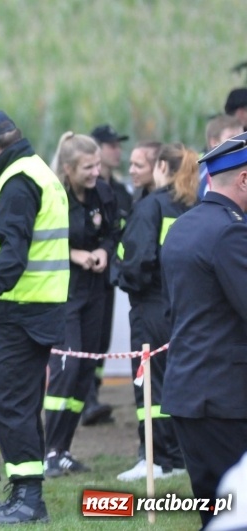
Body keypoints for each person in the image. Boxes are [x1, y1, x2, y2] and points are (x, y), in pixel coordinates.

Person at [0, 109, 68, 525]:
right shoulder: (36, 170)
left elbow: (14, 248)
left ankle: (28, 499)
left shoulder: (18, 181)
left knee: (10, 405)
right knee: (21, 405)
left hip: (20, 312)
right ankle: (26, 492)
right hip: (34, 309)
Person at [161, 132, 247, 529]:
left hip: (191, 394)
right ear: (244, 180)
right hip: (226, 399)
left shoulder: (185, 225)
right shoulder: (231, 232)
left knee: (217, 515)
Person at [116, 142, 198, 482]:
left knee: (150, 386)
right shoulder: (193, 206)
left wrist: (121, 274)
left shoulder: (150, 207)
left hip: (150, 307)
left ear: (162, 167)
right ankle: (178, 454)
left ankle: (158, 459)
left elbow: (136, 263)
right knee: (179, 382)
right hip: (185, 308)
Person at [42, 133, 120, 477]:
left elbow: (114, 230)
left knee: (85, 372)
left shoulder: (103, 191)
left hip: (96, 292)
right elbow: (40, 243)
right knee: (67, 368)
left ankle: (63, 449)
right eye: (89, 167)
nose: (96, 172)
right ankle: (47, 451)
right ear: (69, 168)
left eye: (98, 165)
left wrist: (103, 251)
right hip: (65, 294)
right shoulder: (53, 197)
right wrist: (75, 254)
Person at [85, 124, 132, 426]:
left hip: (110, 275)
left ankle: (93, 395)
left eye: (118, 144)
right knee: (87, 340)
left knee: (101, 340)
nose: (117, 150)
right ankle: (86, 398)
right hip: (85, 274)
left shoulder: (120, 191)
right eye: (111, 145)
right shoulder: (85, 191)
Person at [198, 114, 242, 199]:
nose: (240, 143)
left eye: (242, 137)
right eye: (232, 138)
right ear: (214, 142)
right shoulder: (200, 175)